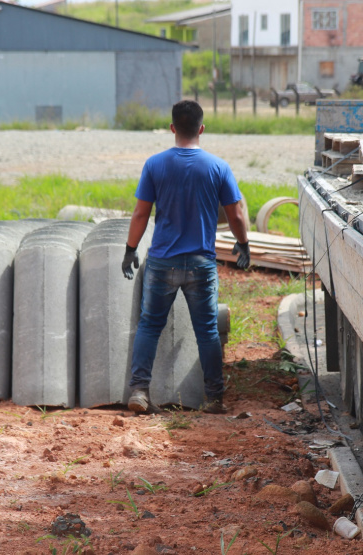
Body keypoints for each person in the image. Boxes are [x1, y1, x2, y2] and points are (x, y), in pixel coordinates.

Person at [121, 100, 250, 415]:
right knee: (207, 331)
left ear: (172, 128)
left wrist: (130, 249)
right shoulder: (218, 167)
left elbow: (140, 213)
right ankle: (214, 398)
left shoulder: (154, 165)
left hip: (162, 262)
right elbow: (235, 214)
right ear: (201, 129)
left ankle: (139, 391)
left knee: (149, 326)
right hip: (201, 264)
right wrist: (243, 243)